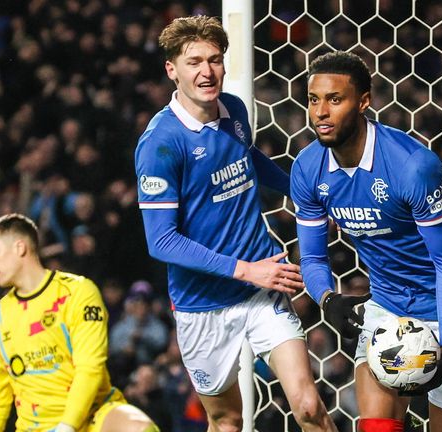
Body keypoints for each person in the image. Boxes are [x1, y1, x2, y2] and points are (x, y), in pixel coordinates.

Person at [290, 51, 442, 432]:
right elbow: (311, 258)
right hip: (387, 305)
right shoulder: (308, 168)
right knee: (377, 428)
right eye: (313, 99)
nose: (321, 112)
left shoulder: (413, 166)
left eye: (335, 99)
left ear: (363, 101)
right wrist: (328, 299)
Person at [134, 15, 337, 432]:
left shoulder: (235, 109)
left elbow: (248, 158)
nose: (207, 72)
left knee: (308, 406)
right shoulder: (160, 145)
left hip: (261, 287)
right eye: (193, 62)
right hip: (203, 303)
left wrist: (304, 196)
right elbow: (161, 241)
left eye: (214, 59)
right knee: (227, 421)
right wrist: (247, 270)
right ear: (172, 70)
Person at [0, 213, 160, 432]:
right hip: (36, 428)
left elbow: (90, 367)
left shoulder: (78, 292)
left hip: (93, 415)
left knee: (138, 428)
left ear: (19, 248)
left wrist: (67, 426)